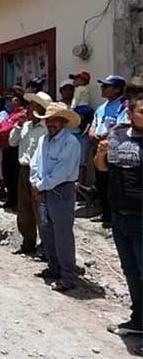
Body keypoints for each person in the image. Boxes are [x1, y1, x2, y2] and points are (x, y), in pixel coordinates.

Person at [95, 95, 143, 337]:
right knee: (131, 271)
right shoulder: (118, 135)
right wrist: (101, 154)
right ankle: (138, 320)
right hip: (120, 215)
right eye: (142, 111)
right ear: (130, 114)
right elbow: (103, 169)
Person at [30, 102, 81, 291]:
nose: (51, 123)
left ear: (63, 122)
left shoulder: (70, 142)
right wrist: (35, 183)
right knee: (47, 230)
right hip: (44, 189)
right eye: (49, 120)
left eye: (55, 120)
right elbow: (35, 163)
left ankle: (68, 275)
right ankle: (54, 267)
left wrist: (40, 186)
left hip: (61, 191)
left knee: (62, 234)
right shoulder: (44, 140)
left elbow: (62, 172)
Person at [9, 91, 50, 254]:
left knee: (39, 208)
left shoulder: (45, 128)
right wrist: (18, 126)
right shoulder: (25, 126)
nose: (28, 108)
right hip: (24, 169)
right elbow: (12, 142)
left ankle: (46, 245)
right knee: (24, 207)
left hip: (39, 170)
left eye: (32, 105)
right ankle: (28, 241)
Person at [89, 75, 127, 228]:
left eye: (106, 86)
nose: (102, 88)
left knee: (114, 182)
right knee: (101, 182)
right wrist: (92, 132)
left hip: (114, 148)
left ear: (117, 89)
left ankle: (115, 216)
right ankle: (105, 214)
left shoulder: (124, 105)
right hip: (99, 147)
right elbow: (94, 122)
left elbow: (122, 124)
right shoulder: (101, 107)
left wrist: (106, 134)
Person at [0, 95, 28, 210]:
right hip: (6, 146)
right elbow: (0, 125)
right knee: (7, 174)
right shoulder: (11, 114)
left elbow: (9, 128)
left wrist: (1, 131)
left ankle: (17, 201)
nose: (12, 101)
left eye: (15, 99)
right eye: (12, 99)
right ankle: (11, 198)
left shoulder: (22, 113)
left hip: (15, 147)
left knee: (15, 175)